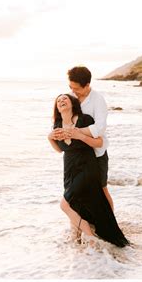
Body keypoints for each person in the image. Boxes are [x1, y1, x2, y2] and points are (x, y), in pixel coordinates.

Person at [48, 94, 128, 247]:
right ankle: (83, 236)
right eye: (58, 101)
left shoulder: (85, 120)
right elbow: (60, 150)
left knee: (65, 205)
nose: (61, 101)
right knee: (77, 204)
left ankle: (90, 236)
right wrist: (50, 138)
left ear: (72, 103)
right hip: (69, 169)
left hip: (87, 167)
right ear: (57, 108)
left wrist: (80, 135)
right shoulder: (57, 125)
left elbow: (99, 142)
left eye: (65, 98)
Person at [66, 65, 113, 211]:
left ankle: (111, 224)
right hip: (78, 155)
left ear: (87, 85)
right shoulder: (71, 97)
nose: (73, 91)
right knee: (78, 192)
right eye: (70, 87)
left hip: (96, 154)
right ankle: (85, 225)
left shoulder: (98, 100)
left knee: (101, 190)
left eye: (77, 88)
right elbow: (62, 117)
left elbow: (100, 128)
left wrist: (77, 132)